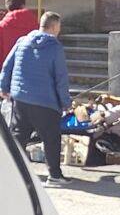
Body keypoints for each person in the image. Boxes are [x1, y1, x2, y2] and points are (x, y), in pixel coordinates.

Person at [0, 12, 71, 187]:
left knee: (19, 137)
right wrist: (66, 102)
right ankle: (54, 175)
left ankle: (12, 174)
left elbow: (7, 66)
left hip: (20, 99)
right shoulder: (55, 47)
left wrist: (4, 87)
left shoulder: (22, 41)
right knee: (51, 138)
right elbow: (60, 78)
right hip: (45, 101)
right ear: (54, 27)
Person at [0, 0, 38, 64]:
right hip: (30, 67)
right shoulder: (34, 23)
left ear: (8, 7)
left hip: (6, 67)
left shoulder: (2, 26)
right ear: (23, 6)